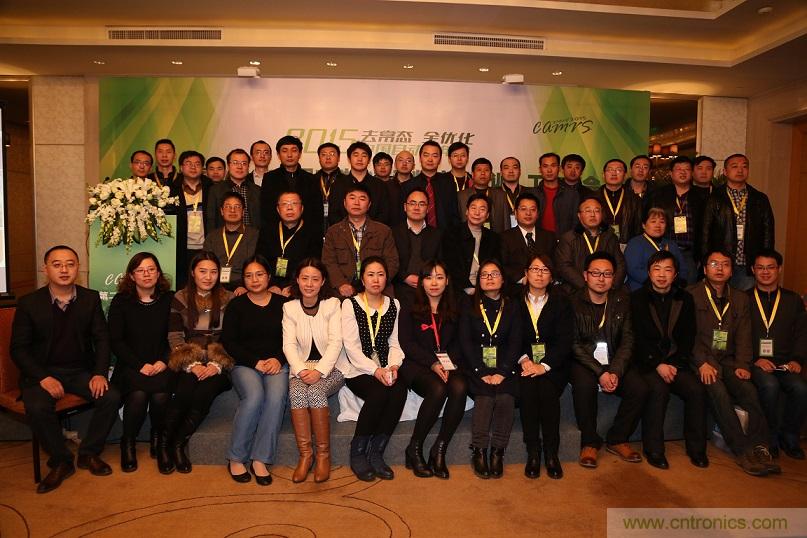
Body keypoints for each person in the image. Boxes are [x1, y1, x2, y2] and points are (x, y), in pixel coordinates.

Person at [10, 245, 121, 494]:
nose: (64, 269)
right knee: (37, 406)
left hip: (80, 371)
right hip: (42, 373)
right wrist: (43, 377)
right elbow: (18, 349)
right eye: (57, 264)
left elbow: (102, 339)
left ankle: (88, 453)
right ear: (45, 269)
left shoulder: (89, 299)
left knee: (111, 396)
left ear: (77, 268)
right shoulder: (29, 303)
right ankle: (61, 460)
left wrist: (99, 373)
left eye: (70, 264)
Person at [687, 249, 779, 476]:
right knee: (718, 392)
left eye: (725, 264)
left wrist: (743, 365)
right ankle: (742, 451)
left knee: (748, 390)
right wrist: (701, 363)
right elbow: (687, 337)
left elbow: (744, 336)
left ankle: (761, 447)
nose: (719, 268)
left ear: (731, 271)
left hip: (728, 360)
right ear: (705, 269)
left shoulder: (740, 298)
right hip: (701, 359)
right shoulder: (690, 295)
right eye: (714, 264)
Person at [630, 251, 708, 469]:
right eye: (657, 269)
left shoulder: (685, 299)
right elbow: (636, 338)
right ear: (649, 273)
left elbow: (688, 336)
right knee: (658, 390)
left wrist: (674, 363)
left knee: (696, 391)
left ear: (675, 275)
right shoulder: (636, 299)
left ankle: (697, 449)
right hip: (648, 362)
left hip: (676, 362)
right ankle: (654, 449)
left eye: (667, 270)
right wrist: (657, 364)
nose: (662, 275)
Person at [570, 252, 648, 469]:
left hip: (614, 360)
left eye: (607, 274)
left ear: (614, 277)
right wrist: (600, 372)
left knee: (640, 388)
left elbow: (628, 340)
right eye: (596, 273)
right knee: (584, 385)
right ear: (586, 275)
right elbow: (573, 344)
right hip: (584, 361)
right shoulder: (573, 301)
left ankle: (617, 438)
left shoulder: (622, 300)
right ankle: (589, 442)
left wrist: (615, 371)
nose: (601, 278)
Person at [161, 251, 233, 475]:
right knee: (185, 390)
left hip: (218, 362)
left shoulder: (228, 298)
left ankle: (178, 443)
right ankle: (164, 444)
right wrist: (192, 364)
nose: (208, 277)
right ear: (193, 273)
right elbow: (175, 336)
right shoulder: (181, 298)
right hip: (187, 359)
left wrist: (216, 364)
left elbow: (232, 337)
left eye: (213, 272)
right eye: (203, 271)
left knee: (204, 393)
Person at [337, 256, 407, 481]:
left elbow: (395, 343)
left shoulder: (394, 305)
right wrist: (375, 371)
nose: (376, 280)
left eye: (380, 274)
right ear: (362, 279)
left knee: (398, 391)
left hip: (385, 364)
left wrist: (393, 365)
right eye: (370, 274)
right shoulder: (350, 304)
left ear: (386, 278)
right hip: (358, 367)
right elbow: (351, 347)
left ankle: (377, 451)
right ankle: (358, 452)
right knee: (378, 393)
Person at [221, 255, 288, 486]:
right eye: (249, 276)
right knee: (254, 396)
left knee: (276, 398)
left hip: (277, 363)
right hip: (244, 364)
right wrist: (255, 361)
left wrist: (279, 358)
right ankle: (236, 457)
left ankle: (261, 458)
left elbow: (292, 338)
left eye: (259, 274)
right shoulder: (236, 305)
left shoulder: (283, 304)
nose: (255, 279)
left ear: (269, 276)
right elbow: (229, 342)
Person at [399, 261, 468, 479]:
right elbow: (407, 344)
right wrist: (432, 363)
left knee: (460, 387)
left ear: (447, 281)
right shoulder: (409, 307)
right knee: (438, 389)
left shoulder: (456, 308)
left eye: (439, 277)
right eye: (428, 277)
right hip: (418, 364)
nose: (434, 283)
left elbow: (460, 341)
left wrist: (449, 363)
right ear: (421, 282)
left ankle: (439, 448)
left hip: (448, 363)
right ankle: (414, 447)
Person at [108, 253, 174, 473]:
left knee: (160, 395)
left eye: (151, 269)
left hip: (162, 363)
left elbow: (176, 335)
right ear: (131, 275)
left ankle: (159, 439)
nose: (147, 274)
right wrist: (139, 365)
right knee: (138, 395)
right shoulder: (121, 301)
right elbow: (116, 341)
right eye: (140, 270)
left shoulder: (170, 299)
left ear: (158, 273)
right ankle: (128, 442)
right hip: (131, 365)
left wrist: (164, 361)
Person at [282, 258, 345, 483]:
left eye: (315, 279)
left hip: (332, 367)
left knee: (316, 392)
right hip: (300, 368)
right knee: (298, 393)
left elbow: (336, 342)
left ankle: (323, 456)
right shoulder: (289, 308)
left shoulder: (332, 304)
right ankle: (306, 456)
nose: (309, 284)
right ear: (297, 280)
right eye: (305, 278)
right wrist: (300, 370)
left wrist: (319, 371)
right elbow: (289, 345)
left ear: (323, 281)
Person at [460, 259, 522, 479]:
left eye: (494, 274)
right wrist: (481, 371)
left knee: (505, 397)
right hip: (476, 365)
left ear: (503, 279)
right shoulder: (469, 305)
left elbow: (516, 342)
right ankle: (479, 450)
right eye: (484, 274)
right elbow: (465, 341)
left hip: (506, 366)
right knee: (485, 397)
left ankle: (498, 451)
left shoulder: (513, 306)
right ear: (478, 281)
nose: (489, 278)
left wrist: (503, 371)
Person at [516, 254, 574, 479]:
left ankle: (551, 453)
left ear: (551, 276)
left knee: (548, 393)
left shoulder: (562, 301)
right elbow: (511, 336)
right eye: (534, 269)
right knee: (528, 392)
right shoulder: (514, 301)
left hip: (554, 365)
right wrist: (524, 360)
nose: (539, 274)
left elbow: (565, 340)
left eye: (545, 270)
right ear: (526, 273)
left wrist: (545, 365)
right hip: (523, 363)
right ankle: (533, 452)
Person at [748, 249, 807, 459]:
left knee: (801, 388)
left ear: (779, 269)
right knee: (770, 385)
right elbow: (738, 336)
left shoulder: (793, 300)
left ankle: (789, 438)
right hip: (756, 362)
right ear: (753, 270)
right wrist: (755, 359)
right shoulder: (744, 298)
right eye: (760, 268)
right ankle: (769, 439)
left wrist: (797, 359)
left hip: (785, 363)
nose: (765, 272)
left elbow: (802, 334)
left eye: (770, 267)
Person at [701, 153, 774, 291]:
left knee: (744, 300)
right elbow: (705, 232)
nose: (740, 170)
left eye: (744, 166)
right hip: (721, 263)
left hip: (748, 263)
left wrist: (765, 260)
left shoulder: (760, 198)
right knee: (718, 299)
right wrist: (706, 261)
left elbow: (768, 232)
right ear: (725, 171)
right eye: (734, 166)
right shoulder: (714, 198)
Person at [322, 182, 399, 298]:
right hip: (343, 289)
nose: (356, 203)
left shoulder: (383, 231)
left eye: (362, 199)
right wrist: (341, 284)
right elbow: (328, 262)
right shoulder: (333, 232)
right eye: (352, 198)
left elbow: (392, 262)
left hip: (377, 288)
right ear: (344, 203)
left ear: (369, 205)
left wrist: (376, 282)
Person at [645, 156, 708, 284]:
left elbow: (706, 228)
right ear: (671, 173)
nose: (683, 172)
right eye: (679, 169)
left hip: (689, 253)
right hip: (663, 249)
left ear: (692, 173)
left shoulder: (701, 197)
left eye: (687, 169)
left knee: (688, 288)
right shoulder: (658, 194)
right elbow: (648, 220)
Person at [256, 190, 323, 297]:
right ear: (278, 209)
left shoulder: (312, 233)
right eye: (284, 204)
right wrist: (271, 284)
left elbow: (313, 264)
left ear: (302, 208)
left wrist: (294, 286)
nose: (289, 208)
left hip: (300, 287)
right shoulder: (267, 231)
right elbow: (260, 261)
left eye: (294, 203)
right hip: (270, 286)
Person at [555, 197, 626, 293]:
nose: (593, 214)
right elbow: (564, 266)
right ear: (579, 215)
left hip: (607, 292)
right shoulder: (568, 238)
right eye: (588, 211)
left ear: (602, 214)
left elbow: (620, 265)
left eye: (597, 211)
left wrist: (611, 286)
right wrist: (587, 288)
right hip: (575, 292)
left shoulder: (610, 237)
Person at [260, 135, 323, 234]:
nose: (289, 155)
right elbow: (266, 209)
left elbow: (317, 211)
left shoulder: (311, 179)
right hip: (276, 233)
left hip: (306, 233)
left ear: (300, 153)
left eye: (294, 150)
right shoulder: (270, 178)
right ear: (278, 154)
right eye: (284, 151)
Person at [442, 193, 501, 298]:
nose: (477, 213)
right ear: (467, 211)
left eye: (482, 209)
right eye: (473, 208)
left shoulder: (493, 238)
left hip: (486, 289)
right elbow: (450, 266)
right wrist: (466, 287)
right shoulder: (452, 234)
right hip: (459, 290)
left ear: (487, 215)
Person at [392, 188, 442, 308]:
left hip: (429, 289)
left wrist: (427, 279)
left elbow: (440, 263)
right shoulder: (393, 232)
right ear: (405, 207)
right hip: (400, 287)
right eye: (412, 203)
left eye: (421, 204)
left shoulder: (437, 234)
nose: (416, 207)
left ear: (428, 208)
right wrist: (405, 277)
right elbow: (389, 261)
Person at [500, 192, 555, 297]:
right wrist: (522, 278)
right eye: (523, 209)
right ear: (515, 213)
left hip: (545, 291)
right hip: (515, 290)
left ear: (538, 214)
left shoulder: (549, 237)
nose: (528, 213)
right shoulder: (504, 237)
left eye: (532, 210)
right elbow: (502, 265)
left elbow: (554, 264)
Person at [172, 150, 213, 289]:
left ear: (202, 168)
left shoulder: (212, 188)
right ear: (181, 167)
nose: (193, 167)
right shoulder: (171, 190)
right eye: (188, 163)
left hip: (206, 246)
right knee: (184, 286)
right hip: (182, 248)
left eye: (197, 164)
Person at [203, 192, 258, 294]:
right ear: (221, 211)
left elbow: (258, 266)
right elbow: (206, 264)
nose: (232, 210)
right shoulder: (212, 236)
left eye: (237, 207)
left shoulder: (254, 236)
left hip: (244, 286)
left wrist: (245, 286)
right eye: (228, 206)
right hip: (215, 285)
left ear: (243, 211)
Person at [624, 207, 689, 290]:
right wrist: (656, 283)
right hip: (642, 289)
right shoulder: (635, 243)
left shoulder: (672, 244)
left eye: (662, 222)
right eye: (653, 221)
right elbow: (633, 269)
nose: (658, 225)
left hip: (670, 289)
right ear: (643, 225)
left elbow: (682, 268)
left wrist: (677, 282)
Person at [400, 141, 459, 229]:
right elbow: (402, 216)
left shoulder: (448, 184)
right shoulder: (408, 186)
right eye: (426, 155)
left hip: (445, 234)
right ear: (420, 158)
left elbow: (454, 214)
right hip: (416, 234)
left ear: (440, 159)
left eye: (434, 156)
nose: (430, 159)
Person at [329, 142, 391, 225]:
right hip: (343, 231)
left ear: (369, 160)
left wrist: (369, 229)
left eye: (364, 156)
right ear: (349, 159)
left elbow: (384, 214)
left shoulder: (380, 185)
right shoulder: (338, 184)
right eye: (356, 155)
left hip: (374, 232)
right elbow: (333, 214)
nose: (360, 159)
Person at [206, 148, 261, 230]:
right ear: (228, 165)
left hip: (252, 236)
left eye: (244, 163)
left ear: (248, 166)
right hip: (224, 236)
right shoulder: (215, 190)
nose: (240, 167)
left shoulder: (257, 190)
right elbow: (211, 220)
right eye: (235, 163)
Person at [596, 158, 642, 246]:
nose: (614, 173)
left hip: (627, 245)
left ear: (625, 175)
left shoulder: (635, 200)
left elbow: (638, 228)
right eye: (610, 170)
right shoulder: (593, 198)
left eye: (618, 170)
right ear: (603, 175)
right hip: (599, 244)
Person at [458, 158, 509, 232]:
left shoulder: (501, 195)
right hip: (468, 236)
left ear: (491, 175)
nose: (483, 173)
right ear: (473, 174)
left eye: (486, 170)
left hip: (495, 236)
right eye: (479, 170)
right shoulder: (461, 196)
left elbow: (506, 222)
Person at [535, 152, 578, 238]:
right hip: (539, 241)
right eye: (545, 166)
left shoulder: (572, 194)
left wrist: (569, 241)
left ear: (559, 168)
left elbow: (576, 222)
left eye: (553, 166)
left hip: (564, 241)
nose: (549, 170)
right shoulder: (533, 194)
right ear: (540, 169)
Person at [498, 156, 534, 230]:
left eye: (515, 167)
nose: (511, 171)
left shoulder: (530, 192)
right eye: (506, 168)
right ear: (501, 172)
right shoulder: (493, 193)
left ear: (520, 171)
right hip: (499, 234)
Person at [316, 142, 344, 235]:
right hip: (315, 229)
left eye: (332, 154)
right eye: (323, 154)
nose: (328, 157)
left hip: (341, 230)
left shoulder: (347, 181)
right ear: (319, 158)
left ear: (338, 158)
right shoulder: (310, 180)